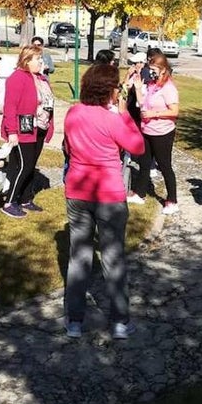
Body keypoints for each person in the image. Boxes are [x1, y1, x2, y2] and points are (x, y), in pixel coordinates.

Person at [62, 63, 146, 339]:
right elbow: (138, 146)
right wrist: (125, 114)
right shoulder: (112, 119)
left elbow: (67, 146)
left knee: (78, 255)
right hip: (108, 193)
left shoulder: (73, 113)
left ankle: (74, 321)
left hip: (77, 190)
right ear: (110, 90)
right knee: (113, 257)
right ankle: (120, 321)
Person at [1, 44, 55, 219]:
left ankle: (25, 198)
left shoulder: (41, 78)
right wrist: (12, 131)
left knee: (31, 165)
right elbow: (10, 107)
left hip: (39, 126)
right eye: (37, 59)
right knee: (24, 165)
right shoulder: (17, 78)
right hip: (23, 127)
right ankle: (9, 202)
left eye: (41, 58)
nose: (41, 62)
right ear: (27, 60)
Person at [127, 54, 181, 214]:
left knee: (164, 166)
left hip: (162, 132)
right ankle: (140, 193)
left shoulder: (169, 88)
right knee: (144, 163)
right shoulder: (151, 85)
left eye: (153, 69)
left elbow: (174, 111)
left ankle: (172, 201)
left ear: (163, 70)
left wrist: (155, 114)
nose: (151, 72)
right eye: (149, 69)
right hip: (147, 130)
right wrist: (138, 88)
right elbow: (142, 104)